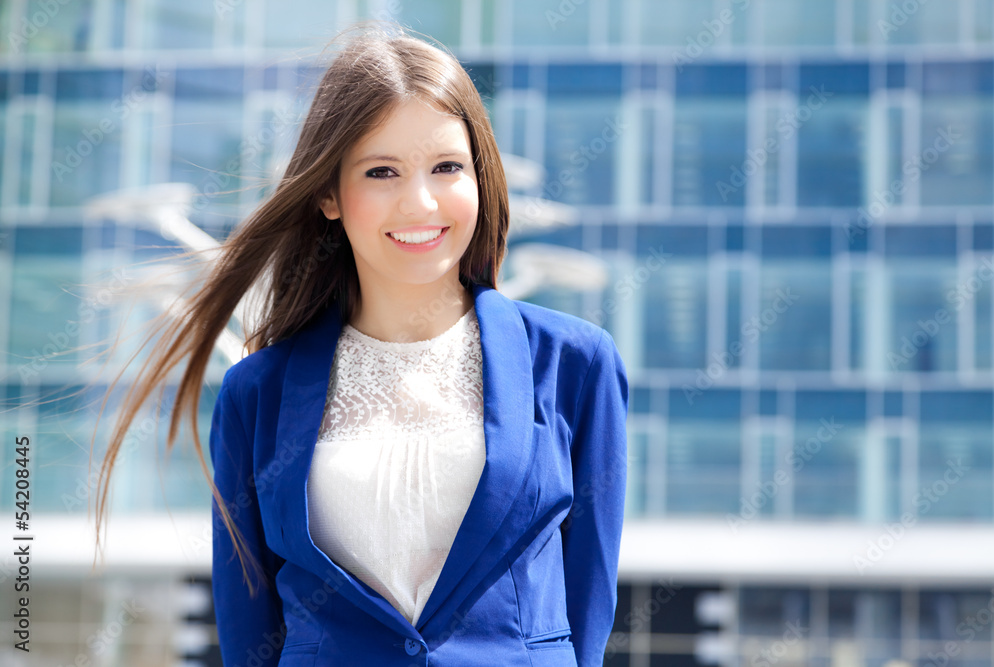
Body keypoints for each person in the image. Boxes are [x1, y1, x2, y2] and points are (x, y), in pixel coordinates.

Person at [93, 20, 628, 667]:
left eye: (447, 166)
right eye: (381, 171)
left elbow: (587, 611)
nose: (421, 201)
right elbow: (247, 631)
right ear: (327, 194)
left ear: (481, 180)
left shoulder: (575, 364)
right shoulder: (256, 392)